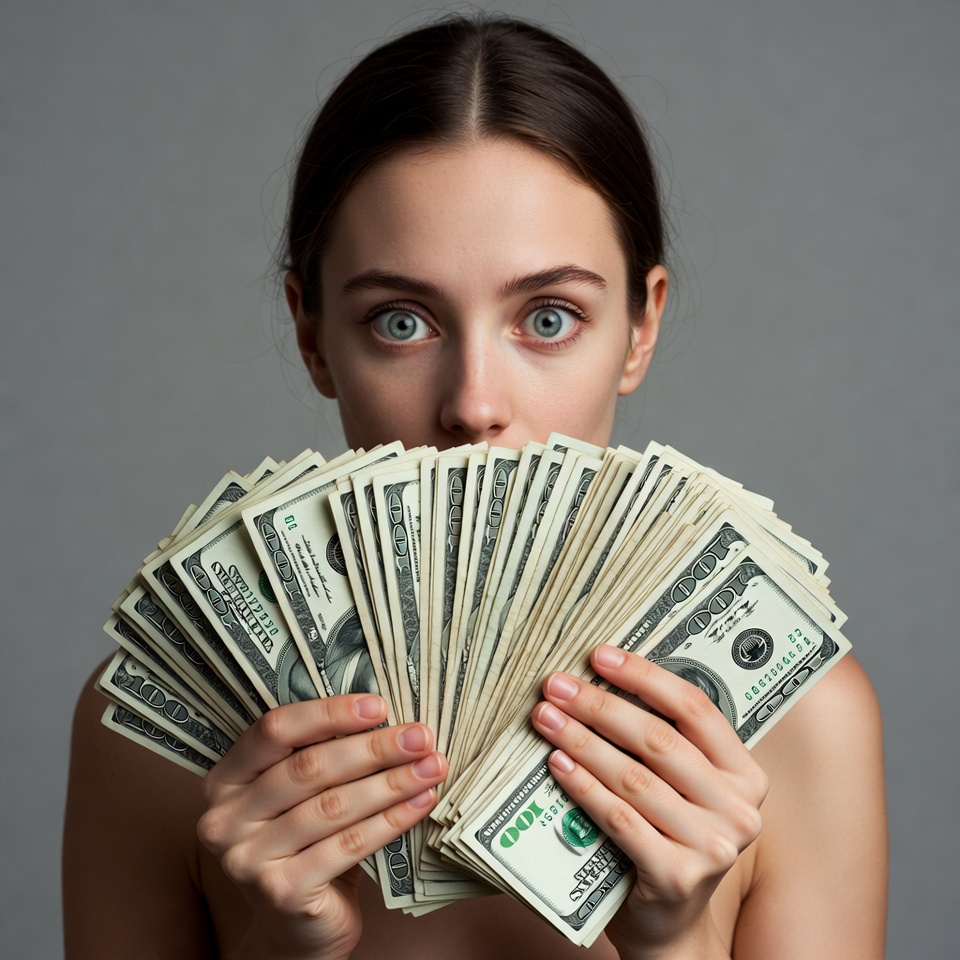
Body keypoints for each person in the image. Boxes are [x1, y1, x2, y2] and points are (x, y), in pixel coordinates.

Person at [63, 15, 887, 960]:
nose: (474, 405)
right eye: (400, 322)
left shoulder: (805, 725)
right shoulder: (150, 736)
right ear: (312, 335)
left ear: (641, 327)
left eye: (549, 317)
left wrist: (673, 945)